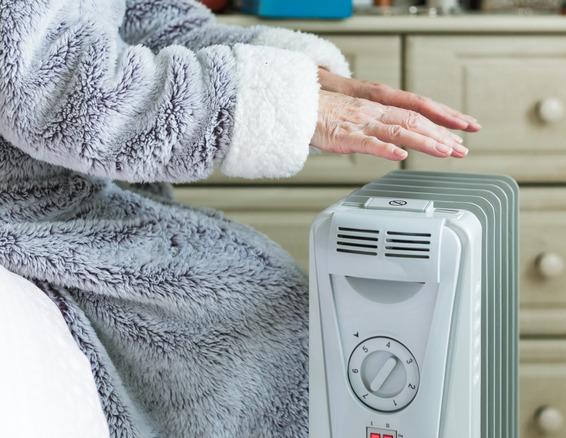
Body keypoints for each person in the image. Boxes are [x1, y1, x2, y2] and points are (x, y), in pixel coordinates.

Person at [0, 0, 479, 437]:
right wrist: (273, 104)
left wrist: (297, 74)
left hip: (74, 198)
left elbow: (151, 20)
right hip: (24, 214)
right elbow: (48, 82)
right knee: (259, 321)